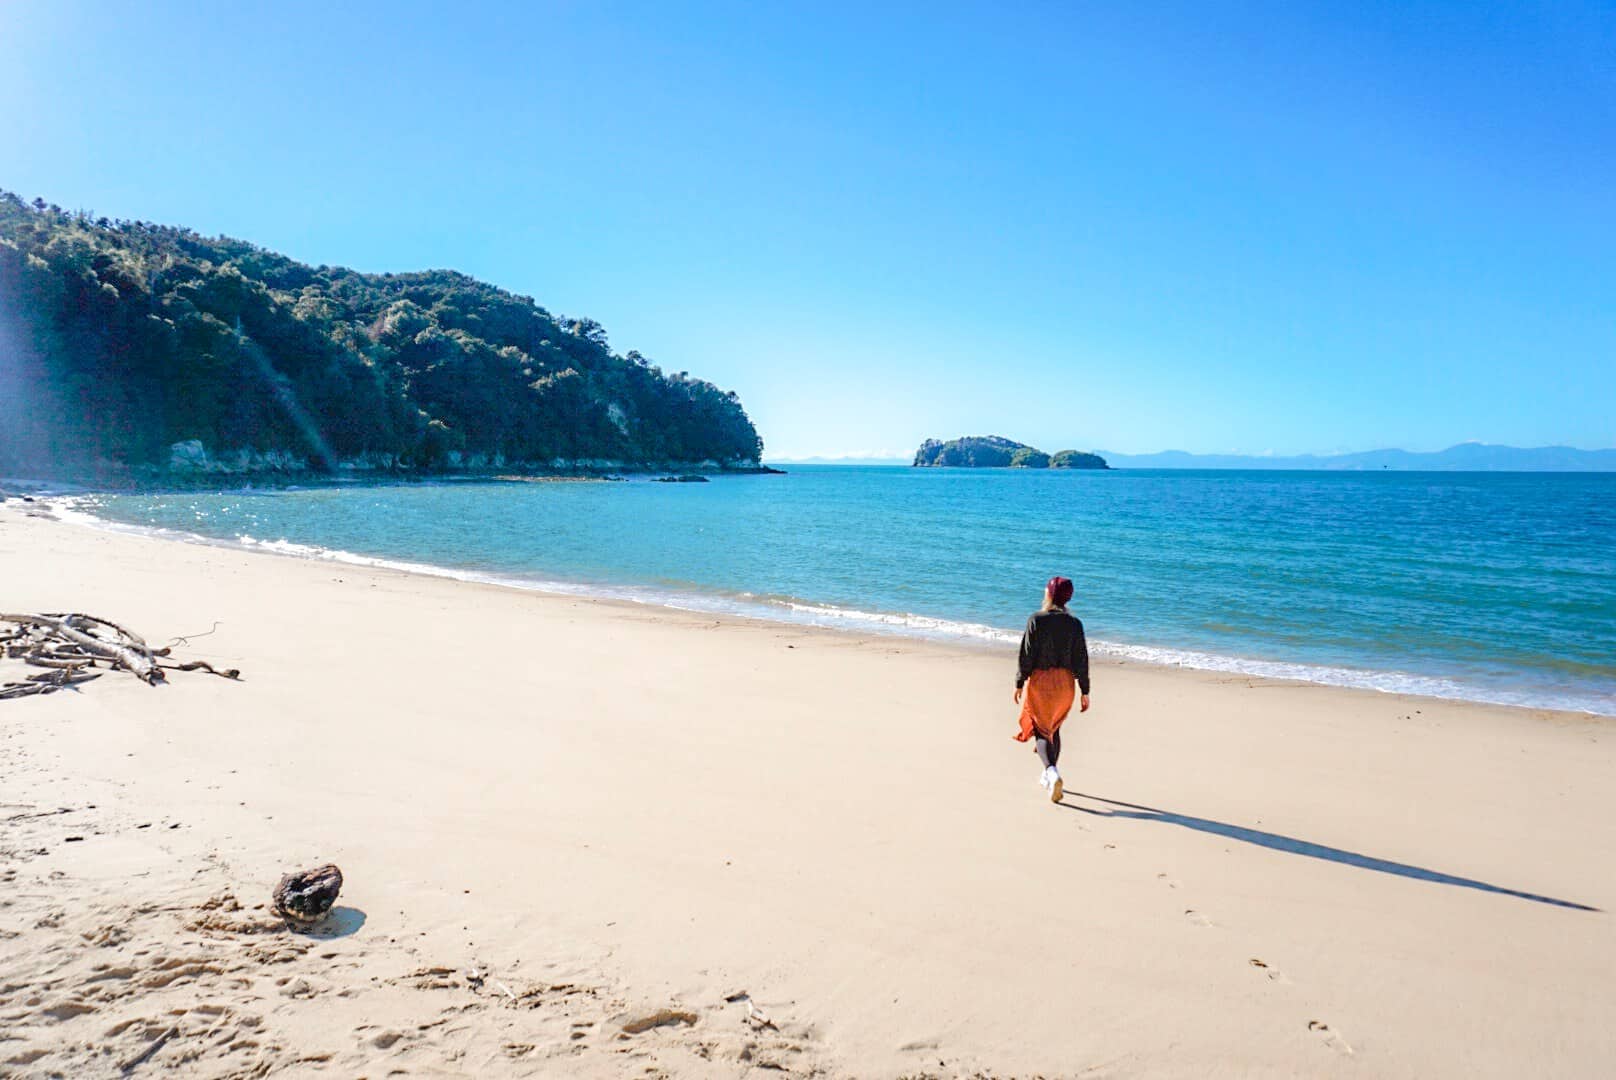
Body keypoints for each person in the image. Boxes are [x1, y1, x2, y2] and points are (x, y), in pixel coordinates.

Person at [1012, 575, 1090, 802]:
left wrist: (1019, 682)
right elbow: (1081, 659)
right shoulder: (1075, 624)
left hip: (1042, 681)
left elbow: (1026, 655)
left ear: (1048, 594)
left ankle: (1051, 772)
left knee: (1040, 728)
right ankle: (1049, 775)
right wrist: (1085, 690)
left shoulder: (1036, 620)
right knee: (1054, 727)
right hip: (1066, 683)